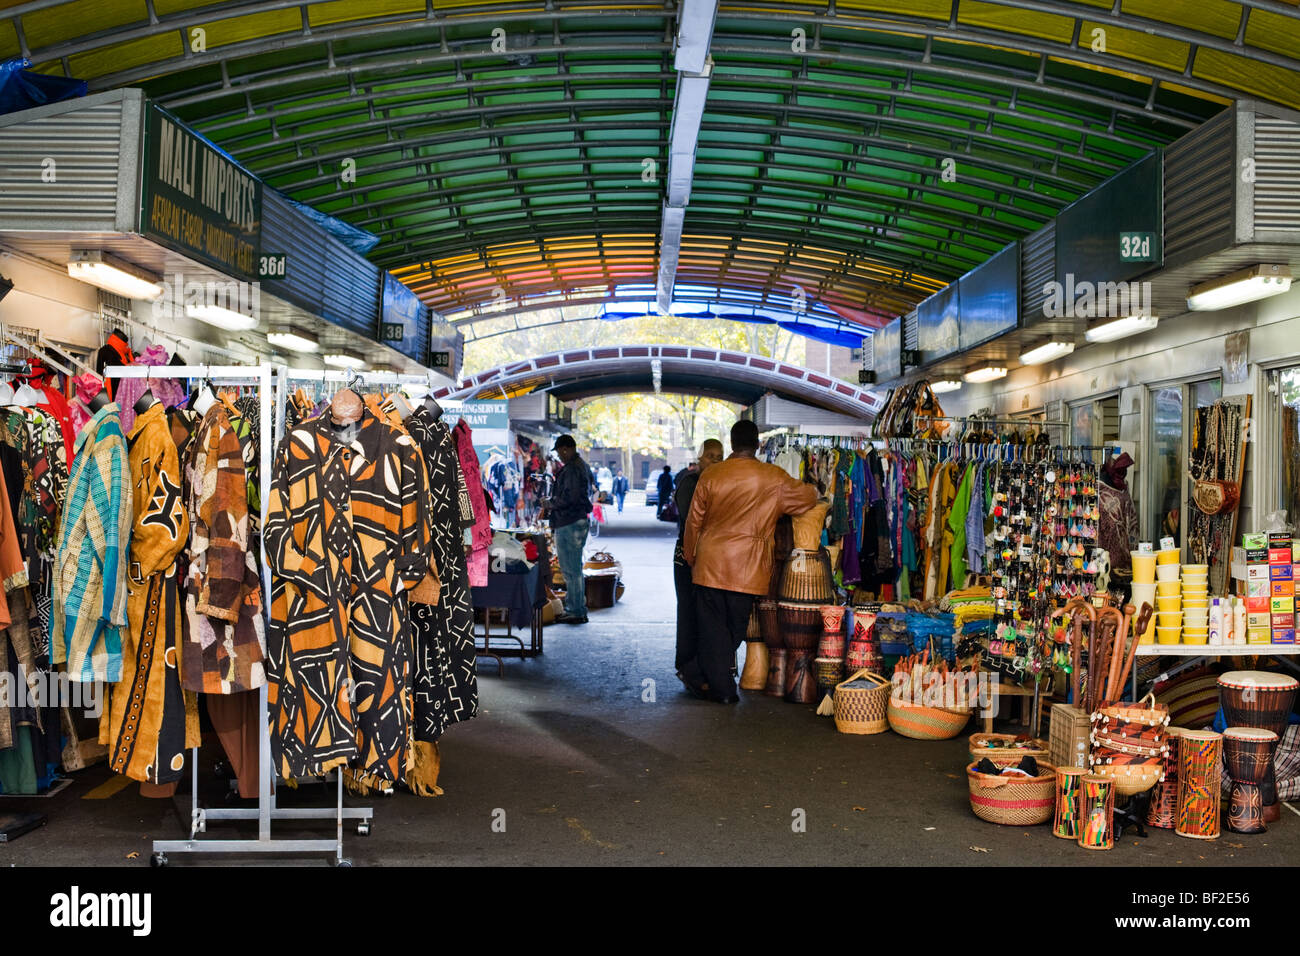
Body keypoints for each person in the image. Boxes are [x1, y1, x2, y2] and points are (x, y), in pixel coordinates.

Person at [683, 420, 818, 702]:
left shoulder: (711, 475)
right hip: (749, 567)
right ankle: (719, 687)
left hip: (710, 562)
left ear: (731, 444)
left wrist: (691, 555)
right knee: (734, 628)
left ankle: (709, 680)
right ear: (757, 444)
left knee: (712, 628)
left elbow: (693, 521)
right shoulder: (773, 477)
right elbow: (806, 498)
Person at [672, 439, 724, 677]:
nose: (715, 460)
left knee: (709, 613)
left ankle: (706, 666)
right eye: (710, 455)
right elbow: (691, 518)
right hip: (687, 555)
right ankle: (686, 664)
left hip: (713, 556)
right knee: (688, 609)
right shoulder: (689, 483)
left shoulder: (723, 484)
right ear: (700, 458)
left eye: (719, 456)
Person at [546, 435, 594, 625]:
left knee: (571, 570)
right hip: (576, 521)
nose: (558, 456)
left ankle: (575, 610)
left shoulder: (573, 469)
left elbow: (570, 498)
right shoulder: (580, 465)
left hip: (569, 522)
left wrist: (550, 503)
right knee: (575, 569)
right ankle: (577, 608)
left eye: (559, 452)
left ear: (566, 449)